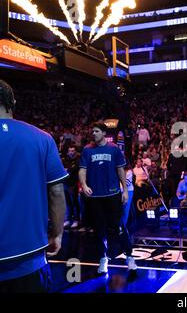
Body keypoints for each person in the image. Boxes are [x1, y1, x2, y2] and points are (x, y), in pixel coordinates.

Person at [0, 80, 67, 292]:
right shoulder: (42, 138)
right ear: (13, 102)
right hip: (29, 259)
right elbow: (56, 193)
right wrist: (57, 233)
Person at [79, 121, 137, 274]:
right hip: (95, 197)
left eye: (97, 131)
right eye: (93, 131)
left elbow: (120, 171)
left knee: (118, 227)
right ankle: (103, 259)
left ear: (104, 133)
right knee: (99, 230)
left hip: (112, 195)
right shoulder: (87, 150)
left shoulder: (114, 149)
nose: (94, 133)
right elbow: (82, 170)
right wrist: (84, 185)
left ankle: (130, 257)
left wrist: (125, 190)